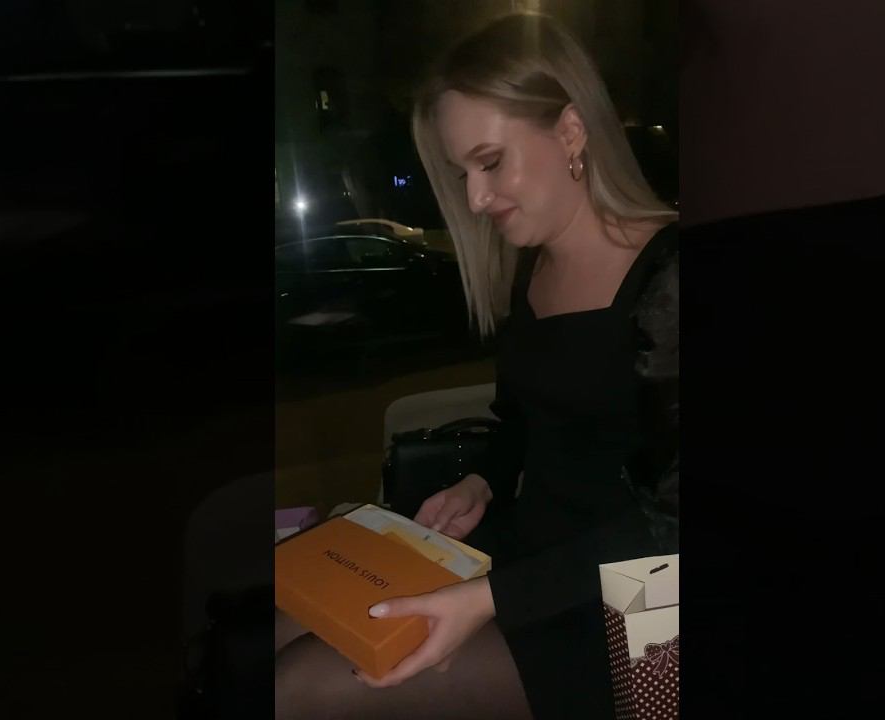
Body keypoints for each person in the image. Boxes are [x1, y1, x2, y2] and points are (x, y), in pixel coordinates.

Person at [274, 13, 679, 720]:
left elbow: (674, 520)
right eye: (462, 174)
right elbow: (525, 422)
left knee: (299, 687)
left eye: (490, 162)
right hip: (526, 552)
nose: (475, 200)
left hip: (639, 600)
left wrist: (491, 599)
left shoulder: (670, 279)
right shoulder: (533, 270)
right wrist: (483, 480)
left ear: (572, 131)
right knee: (283, 621)